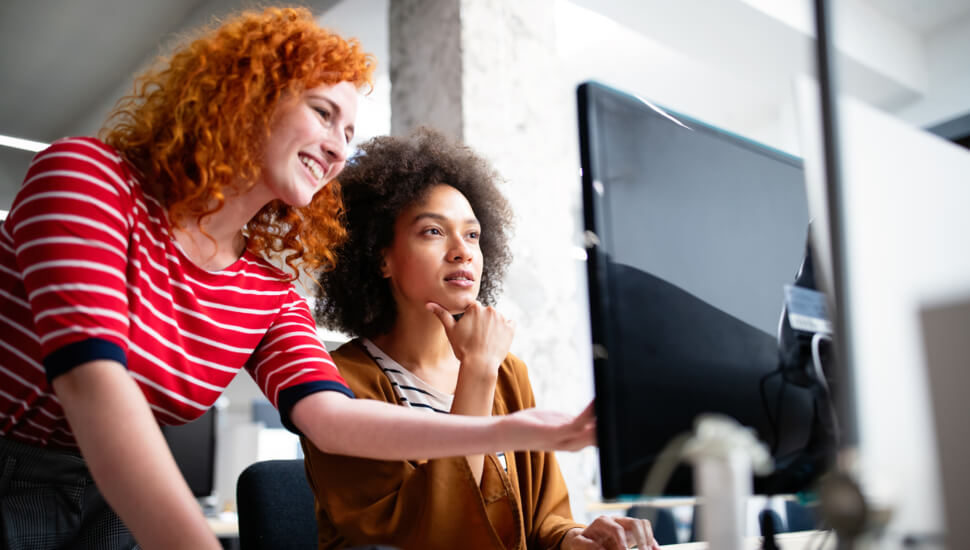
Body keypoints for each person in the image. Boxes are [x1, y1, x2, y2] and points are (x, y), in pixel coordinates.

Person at [0, 8, 593, 550]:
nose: (338, 149)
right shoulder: (89, 178)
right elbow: (93, 387)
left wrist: (511, 429)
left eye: (349, 134)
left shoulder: (265, 291)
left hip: (118, 491)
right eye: (323, 112)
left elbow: (334, 421)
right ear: (247, 98)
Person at [304, 128, 659, 550]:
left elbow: (545, 522)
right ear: (380, 257)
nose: (463, 251)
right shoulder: (338, 384)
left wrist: (581, 541)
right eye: (433, 232)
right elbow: (421, 536)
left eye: (472, 235)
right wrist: (477, 370)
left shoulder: (508, 372)